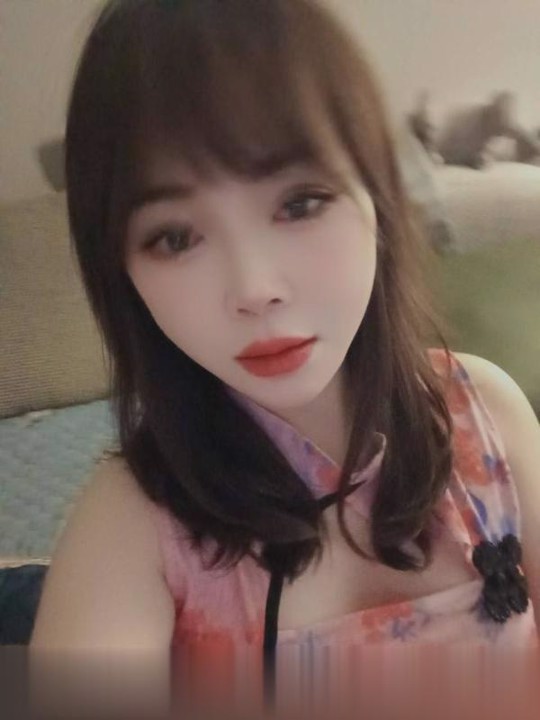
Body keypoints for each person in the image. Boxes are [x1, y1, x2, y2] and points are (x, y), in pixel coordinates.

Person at [29, 0, 540, 716]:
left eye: (300, 204)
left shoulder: (484, 415)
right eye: (175, 237)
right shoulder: (134, 525)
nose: (254, 289)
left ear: (377, 196)